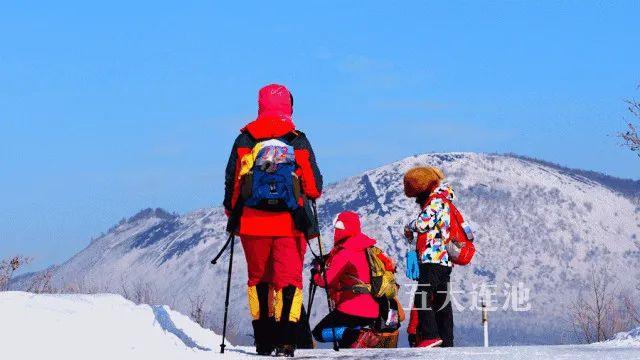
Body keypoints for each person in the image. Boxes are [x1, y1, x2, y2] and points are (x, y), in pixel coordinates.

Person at [223, 84, 323, 357]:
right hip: (290, 224)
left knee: (259, 279)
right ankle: (287, 341)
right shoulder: (297, 139)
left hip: (252, 224)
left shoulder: (245, 139)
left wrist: (233, 213)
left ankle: (263, 341)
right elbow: (314, 187)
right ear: (288, 106)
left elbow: (233, 183)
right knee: (288, 280)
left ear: (260, 104)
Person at [403, 166, 473, 348]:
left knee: (422, 295)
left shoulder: (435, 201)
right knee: (442, 301)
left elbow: (423, 223)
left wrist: (409, 227)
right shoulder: (444, 200)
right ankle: (446, 340)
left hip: (433, 258)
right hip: (444, 261)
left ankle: (430, 335)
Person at [311, 211, 382, 348]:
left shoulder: (344, 252)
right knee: (345, 343)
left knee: (319, 332)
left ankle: (357, 335)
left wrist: (315, 273)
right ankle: (358, 335)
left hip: (352, 308)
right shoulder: (366, 247)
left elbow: (326, 281)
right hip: (373, 308)